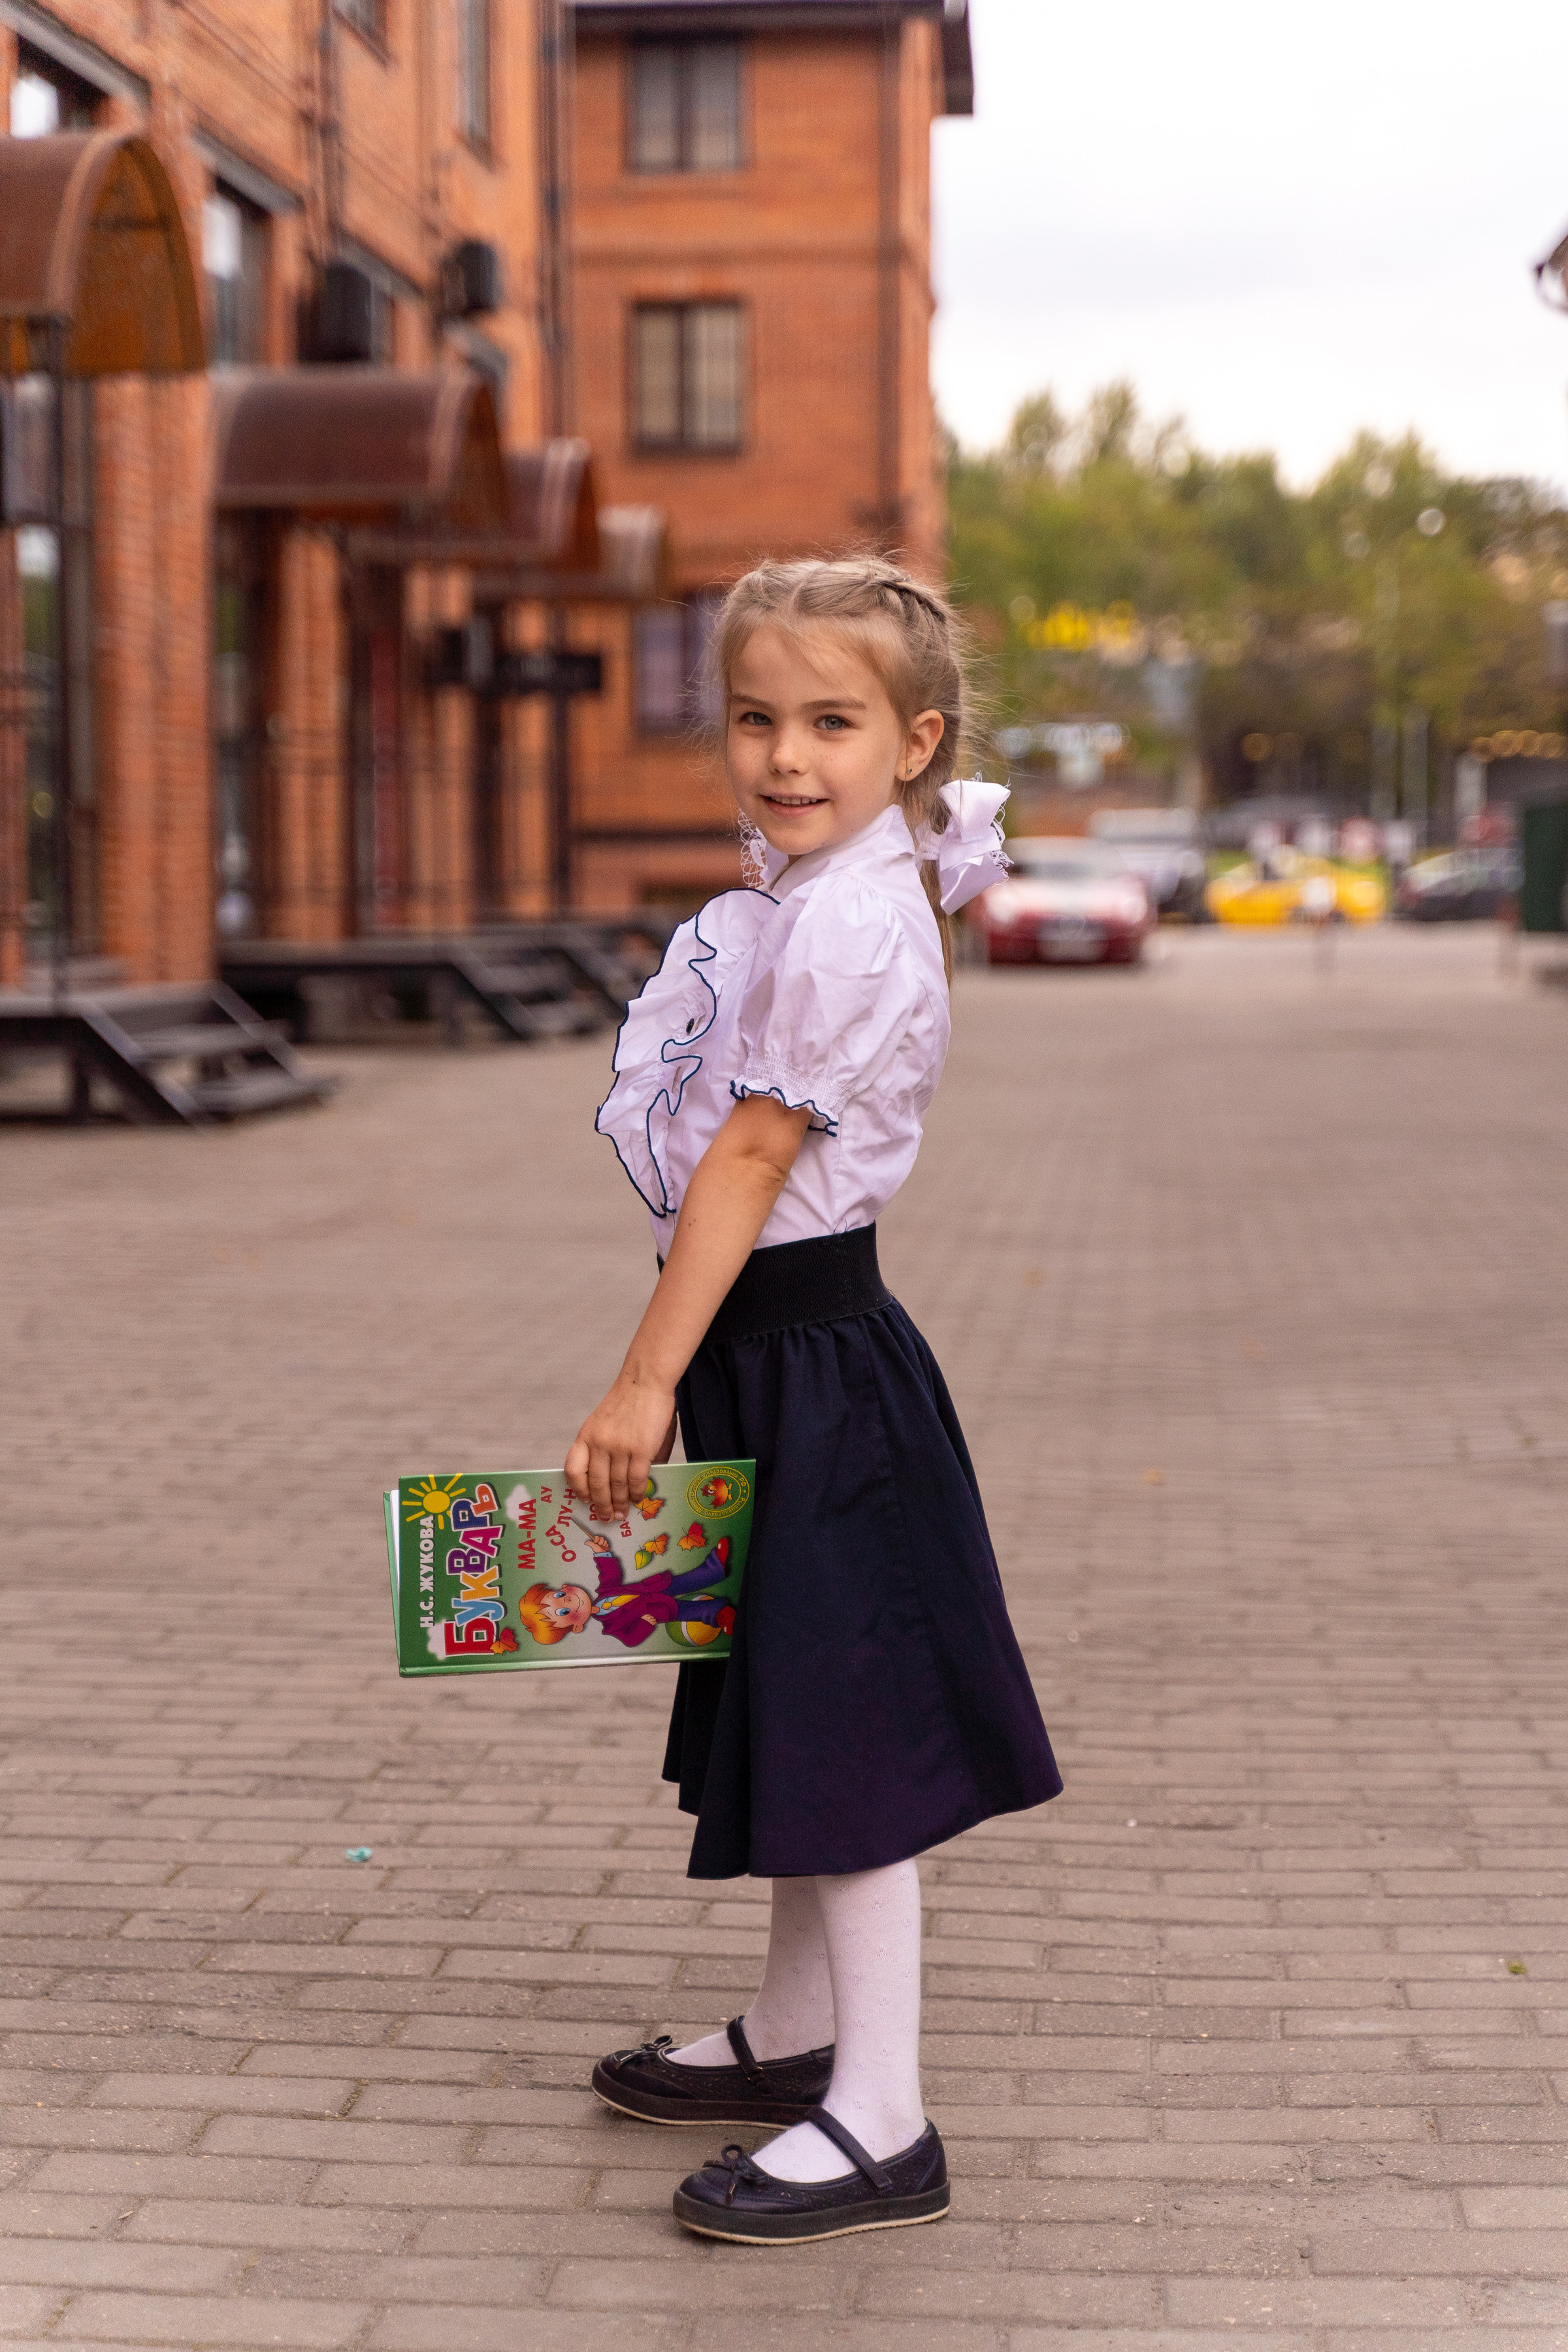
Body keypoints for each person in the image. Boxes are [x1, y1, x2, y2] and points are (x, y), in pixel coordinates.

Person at [565, 555, 1062, 2246]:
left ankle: (883, 2116)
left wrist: (642, 1381)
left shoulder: (847, 913)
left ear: (914, 739)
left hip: (814, 1363)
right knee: (795, 1704)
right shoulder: (812, 883)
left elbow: (754, 1151)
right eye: (758, 717)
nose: (786, 753)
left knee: (848, 1731)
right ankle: (794, 2037)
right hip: (770, 1351)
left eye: (831, 721)